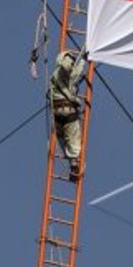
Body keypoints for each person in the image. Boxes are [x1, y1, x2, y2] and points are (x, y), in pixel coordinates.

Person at [49, 50, 87, 182]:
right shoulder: (67, 74)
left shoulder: (54, 75)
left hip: (57, 114)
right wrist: (82, 61)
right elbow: (76, 74)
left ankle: (73, 163)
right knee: (73, 140)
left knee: (63, 140)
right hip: (68, 112)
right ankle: (74, 164)